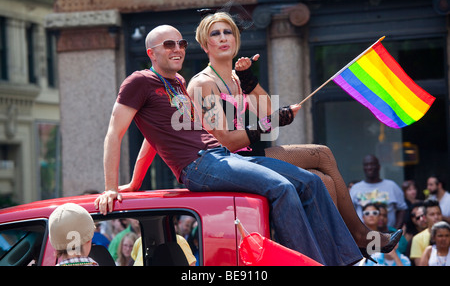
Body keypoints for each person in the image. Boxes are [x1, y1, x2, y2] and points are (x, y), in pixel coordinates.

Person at [94, 24, 364, 265]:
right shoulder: (139, 81)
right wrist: (110, 187)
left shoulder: (178, 83)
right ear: (151, 53)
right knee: (281, 187)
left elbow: (151, 140)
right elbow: (114, 133)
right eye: (168, 45)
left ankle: (343, 260)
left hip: (220, 156)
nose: (177, 49)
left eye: (181, 43)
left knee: (310, 181)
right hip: (198, 165)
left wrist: (135, 183)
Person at [184, 11, 401, 254]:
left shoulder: (236, 77)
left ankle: (343, 243)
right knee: (321, 165)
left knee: (323, 163)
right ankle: (354, 238)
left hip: (251, 154)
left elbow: (268, 111)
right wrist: (271, 121)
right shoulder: (203, 83)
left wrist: (248, 80)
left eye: (228, 32)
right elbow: (227, 140)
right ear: (205, 45)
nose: (224, 38)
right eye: (216, 34)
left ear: (236, 40)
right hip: (229, 163)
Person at [350, 155, 408, 229]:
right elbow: (350, 213)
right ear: (363, 168)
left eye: (372, 164)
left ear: (379, 167)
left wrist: (395, 231)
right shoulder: (355, 188)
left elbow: (402, 209)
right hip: (363, 236)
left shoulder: (392, 186)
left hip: (388, 234)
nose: (369, 167)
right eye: (366, 165)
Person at [410, 199, 443, 265]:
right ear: (425, 218)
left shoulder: (448, 235)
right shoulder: (417, 239)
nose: (436, 217)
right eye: (432, 214)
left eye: (438, 213)